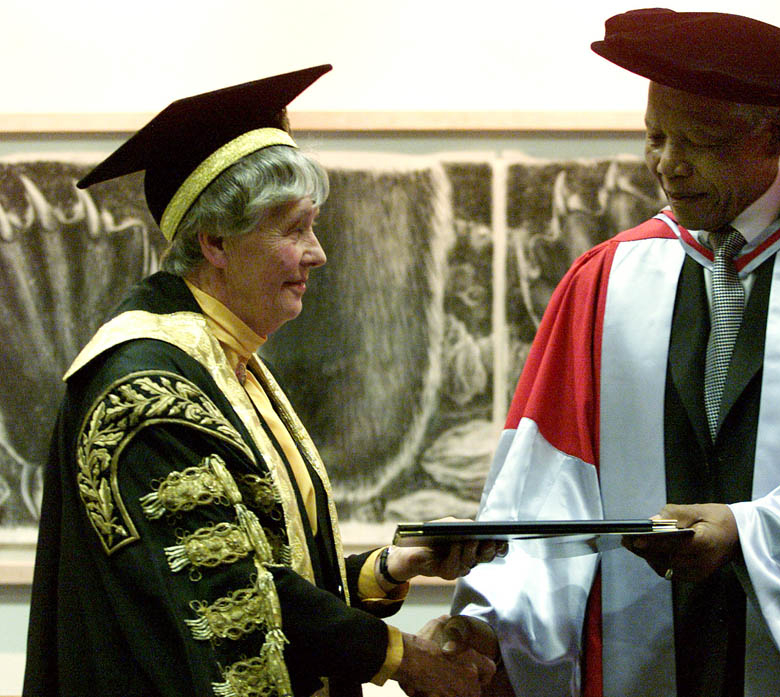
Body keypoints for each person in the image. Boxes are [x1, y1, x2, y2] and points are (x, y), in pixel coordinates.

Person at [433, 9, 780, 697]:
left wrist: (751, 532)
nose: (669, 164)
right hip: (638, 664)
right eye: (656, 136)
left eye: (700, 140)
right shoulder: (602, 282)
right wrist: (488, 627)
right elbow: (542, 491)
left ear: (775, 136)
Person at [22, 65, 502, 697]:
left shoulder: (220, 360)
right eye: (294, 228)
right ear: (216, 242)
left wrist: (385, 569)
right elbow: (230, 598)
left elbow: (269, 567)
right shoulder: (146, 386)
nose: (317, 252)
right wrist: (402, 657)